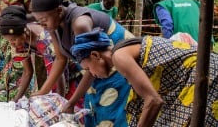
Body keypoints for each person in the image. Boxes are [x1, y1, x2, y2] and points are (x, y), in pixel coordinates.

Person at [30, 0, 134, 126]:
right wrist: (43, 91)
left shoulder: (80, 24)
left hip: (117, 68)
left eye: (44, 20)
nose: (42, 26)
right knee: (92, 111)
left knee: (111, 115)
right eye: (39, 22)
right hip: (94, 70)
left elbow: (95, 64)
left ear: (59, 10)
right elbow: (61, 58)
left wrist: (72, 101)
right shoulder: (53, 26)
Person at [70, 30, 218, 126]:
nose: (92, 74)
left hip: (204, 74)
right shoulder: (123, 51)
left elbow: (153, 101)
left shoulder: (119, 57)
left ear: (95, 55)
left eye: (88, 68)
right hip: (201, 72)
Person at [0, 6, 66, 101]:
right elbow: (28, 72)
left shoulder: (45, 39)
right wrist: (16, 99)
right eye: (9, 41)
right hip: (57, 70)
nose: (12, 44)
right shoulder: (21, 41)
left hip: (70, 67)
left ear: (24, 32)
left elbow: (58, 70)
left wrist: (60, 100)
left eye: (14, 40)